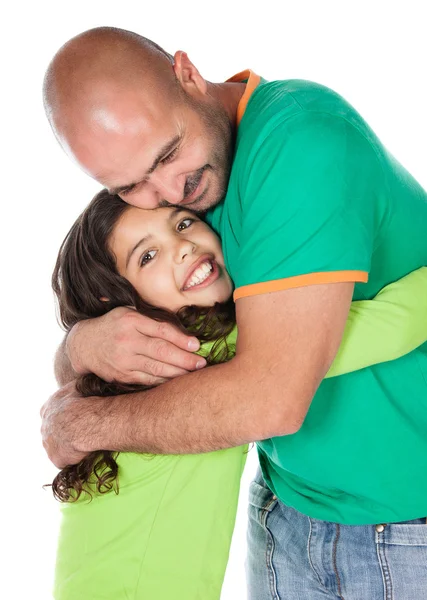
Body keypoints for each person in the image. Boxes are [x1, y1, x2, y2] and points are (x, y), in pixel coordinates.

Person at [41, 27, 427, 599]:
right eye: (131, 186)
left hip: (398, 533)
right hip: (285, 509)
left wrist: (80, 423)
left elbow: (271, 397)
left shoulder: (298, 142)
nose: (168, 191)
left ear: (188, 75)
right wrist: (80, 347)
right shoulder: (183, 200)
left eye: (168, 156)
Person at [52, 189, 427, 599]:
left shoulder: (115, 382)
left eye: (182, 223)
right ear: (121, 308)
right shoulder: (208, 353)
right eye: (147, 256)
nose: (182, 247)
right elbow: (392, 324)